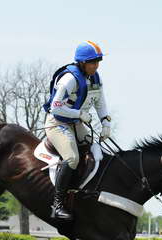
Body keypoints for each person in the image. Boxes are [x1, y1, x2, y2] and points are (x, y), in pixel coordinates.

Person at [42, 41, 111, 221]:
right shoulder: (69, 80)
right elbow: (55, 108)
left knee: (97, 152)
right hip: (57, 123)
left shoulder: (96, 78)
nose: (95, 66)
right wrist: (79, 114)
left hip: (76, 123)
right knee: (72, 158)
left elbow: (100, 102)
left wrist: (105, 123)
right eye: (92, 62)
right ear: (81, 62)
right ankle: (57, 205)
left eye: (98, 62)